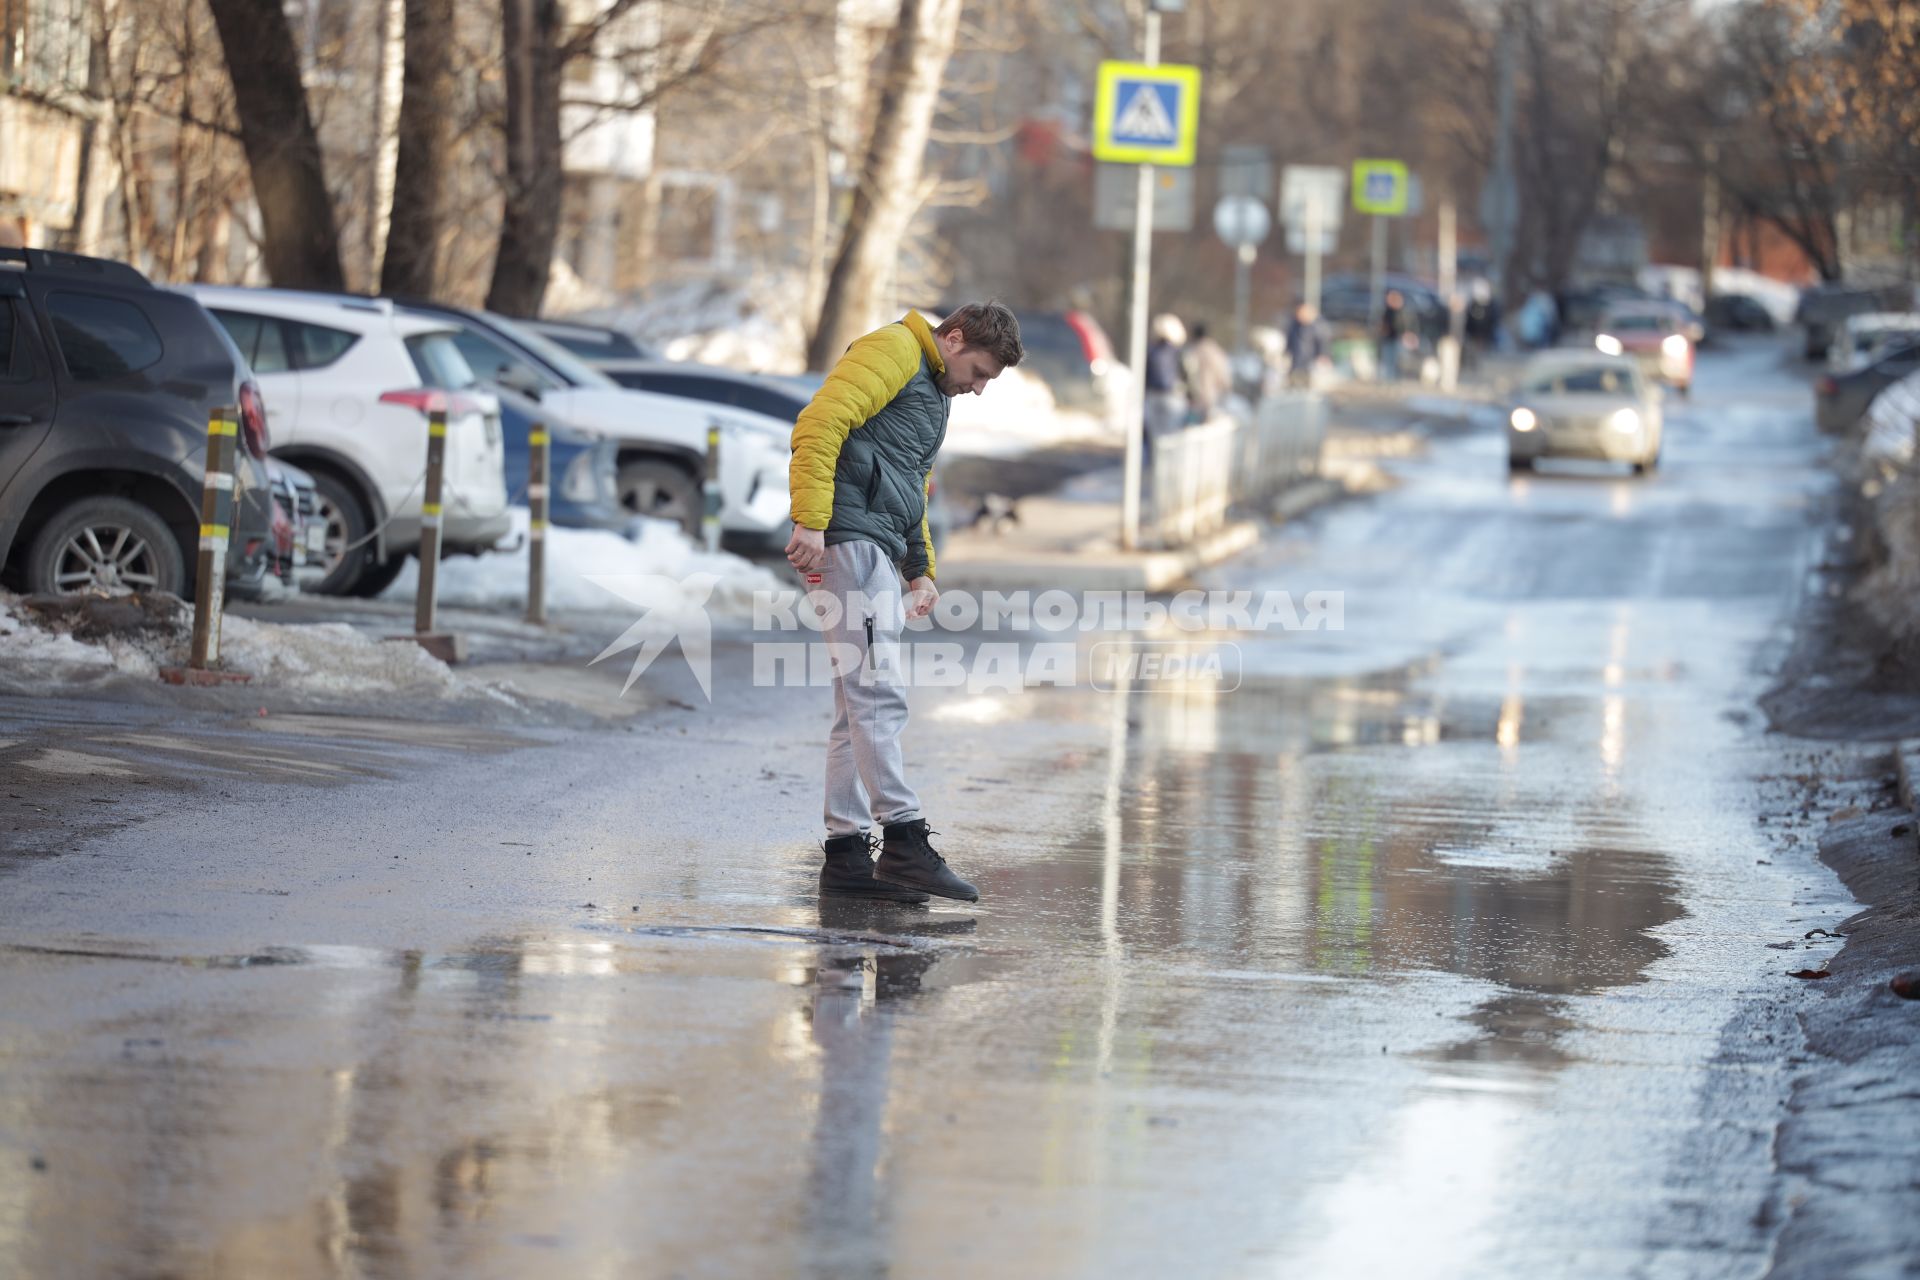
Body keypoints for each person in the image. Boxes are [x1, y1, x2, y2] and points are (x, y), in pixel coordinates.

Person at [785, 302, 1024, 904]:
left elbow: (909, 483)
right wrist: (811, 522)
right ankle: (903, 839)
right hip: (848, 538)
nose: (978, 388)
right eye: (980, 372)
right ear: (955, 338)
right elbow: (819, 424)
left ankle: (845, 857)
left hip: (873, 545)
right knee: (877, 694)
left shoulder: (932, 387)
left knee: (855, 706)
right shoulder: (893, 351)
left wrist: (920, 569)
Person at [1144, 313, 1189, 443]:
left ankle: (1155, 462)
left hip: (1153, 396)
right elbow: (1186, 374)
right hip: (1173, 396)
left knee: (1155, 437)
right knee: (1172, 437)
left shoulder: (1151, 351)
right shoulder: (1178, 351)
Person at [1184, 320, 1233, 420]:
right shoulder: (1216, 351)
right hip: (1214, 396)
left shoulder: (1192, 351)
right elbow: (1224, 376)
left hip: (1197, 399)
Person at [1284, 302, 1327, 388]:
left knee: (1308, 381)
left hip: (1309, 360)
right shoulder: (1294, 326)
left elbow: (1322, 343)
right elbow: (1290, 340)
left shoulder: (1317, 327)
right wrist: (1286, 352)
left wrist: (1322, 355)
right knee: (1294, 380)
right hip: (1296, 360)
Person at [1377, 289, 1407, 383]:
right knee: (1387, 360)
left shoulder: (1401, 311)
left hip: (1397, 339)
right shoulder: (1387, 311)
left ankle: (1394, 379)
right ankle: (1387, 379)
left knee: (1396, 360)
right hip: (1388, 339)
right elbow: (1383, 325)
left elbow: (1403, 325)